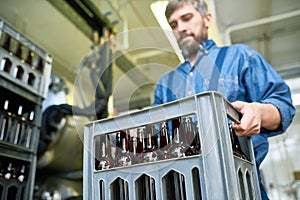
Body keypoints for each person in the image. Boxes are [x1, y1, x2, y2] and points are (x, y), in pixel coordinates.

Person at [152, 0, 296, 199]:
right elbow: (155, 138)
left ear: (207, 19)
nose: (181, 28)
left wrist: (258, 112)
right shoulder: (165, 84)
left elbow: (284, 106)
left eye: (187, 18)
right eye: (174, 25)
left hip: (243, 189)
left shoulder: (240, 57)